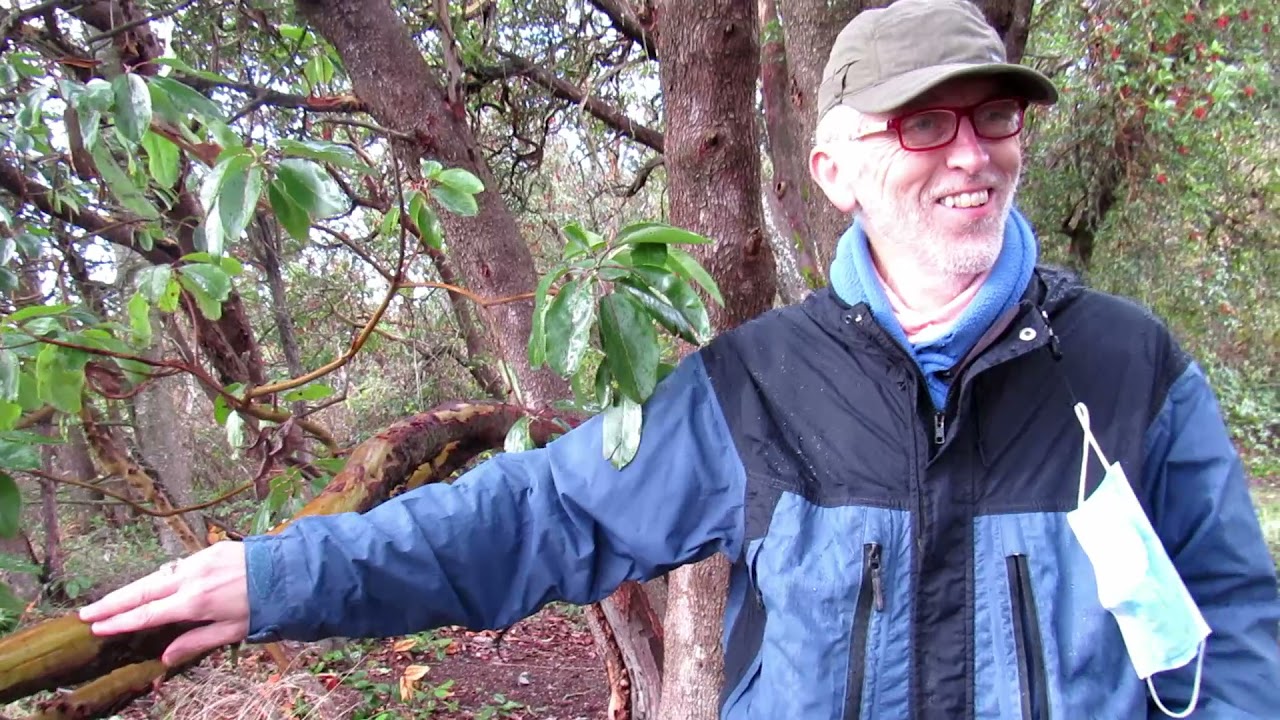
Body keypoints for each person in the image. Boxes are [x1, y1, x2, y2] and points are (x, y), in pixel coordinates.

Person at [81, 0, 1280, 717]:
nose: (968, 154)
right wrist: (279, 577)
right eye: (923, 121)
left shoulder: (1129, 370)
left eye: (993, 116)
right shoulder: (756, 389)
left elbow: (1231, 623)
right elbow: (531, 518)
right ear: (834, 171)